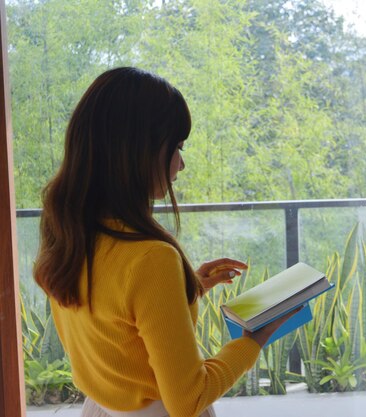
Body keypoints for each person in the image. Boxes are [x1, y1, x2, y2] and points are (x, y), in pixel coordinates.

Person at [33, 67, 295, 417]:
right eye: (178, 147)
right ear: (139, 151)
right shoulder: (150, 258)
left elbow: (115, 324)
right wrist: (253, 341)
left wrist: (188, 288)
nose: (181, 164)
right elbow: (188, 399)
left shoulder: (69, 232)